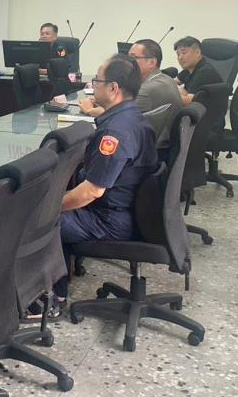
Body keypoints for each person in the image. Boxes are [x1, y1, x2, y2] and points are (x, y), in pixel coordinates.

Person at [55, 54, 158, 301]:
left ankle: (51, 298)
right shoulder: (131, 117)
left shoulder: (114, 132)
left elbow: (91, 192)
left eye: (97, 81)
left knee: (39, 220)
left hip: (110, 220)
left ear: (113, 89)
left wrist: (50, 206)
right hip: (129, 210)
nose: (93, 86)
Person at [78, 40, 181, 150]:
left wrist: (89, 110)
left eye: (133, 58)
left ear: (152, 62)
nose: (128, 62)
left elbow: (115, 114)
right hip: (153, 148)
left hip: (149, 149)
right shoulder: (166, 79)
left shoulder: (147, 90)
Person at [173, 36, 223, 104]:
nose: (180, 57)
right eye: (178, 54)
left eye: (184, 53)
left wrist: (170, 93)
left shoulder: (205, 72)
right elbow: (173, 82)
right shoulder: (189, 68)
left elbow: (189, 102)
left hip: (205, 109)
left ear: (197, 52)